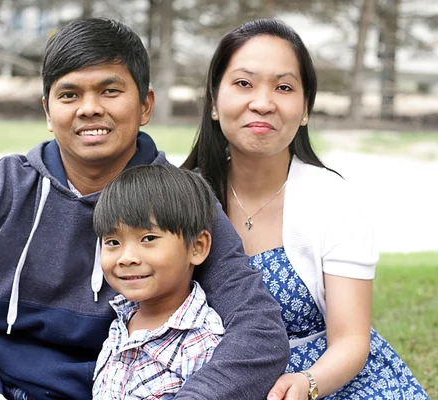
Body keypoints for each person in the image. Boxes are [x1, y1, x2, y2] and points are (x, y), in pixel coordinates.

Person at [0, 18, 290, 400]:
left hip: (105, 389)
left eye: (110, 91)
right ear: (48, 110)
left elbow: (260, 330)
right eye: (69, 95)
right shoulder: (1, 187)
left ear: (146, 104)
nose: (89, 109)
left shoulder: (179, 198)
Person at [183, 18, 429, 400]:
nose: (262, 103)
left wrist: (307, 384)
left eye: (283, 87)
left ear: (305, 109)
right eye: (244, 83)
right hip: (213, 384)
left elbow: (350, 340)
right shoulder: (181, 198)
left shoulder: (332, 198)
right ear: (214, 102)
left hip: (326, 382)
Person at [92, 165, 224, 399]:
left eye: (148, 238)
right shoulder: (121, 322)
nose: (126, 258)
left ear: (197, 247)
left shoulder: (201, 344)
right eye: (112, 242)